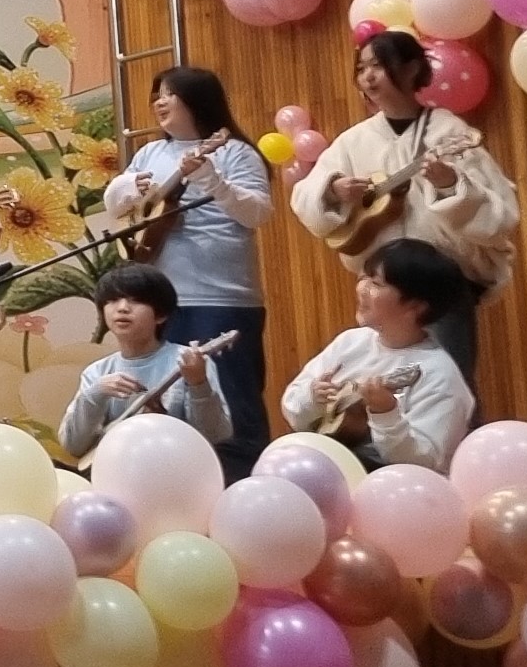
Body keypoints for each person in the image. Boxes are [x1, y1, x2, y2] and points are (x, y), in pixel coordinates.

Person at [291, 31, 519, 388]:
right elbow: (304, 197)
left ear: (412, 68)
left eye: (379, 66)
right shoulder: (353, 141)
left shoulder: (449, 133)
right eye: (362, 68)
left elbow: (500, 212)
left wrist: (449, 184)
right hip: (382, 288)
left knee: (449, 386)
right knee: (386, 388)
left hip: (439, 284)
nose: (368, 77)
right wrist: (333, 189)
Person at [101, 65, 272, 472]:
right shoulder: (149, 153)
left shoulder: (235, 152)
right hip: (160, 301)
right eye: (156, 94)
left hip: (222, 298)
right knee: (165, 401)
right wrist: (129, 189)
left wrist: (214, 181)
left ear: (197, 100)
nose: (159, 102)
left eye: (169, 94)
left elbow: (259, 214)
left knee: (231, 404)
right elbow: (114, 204)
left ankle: (242, 483)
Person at [278, 239, 477, 472]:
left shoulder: (439, 374)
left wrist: (386, 414)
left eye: (376, 283)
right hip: (330, 466)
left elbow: (424, 463)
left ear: (416, 307)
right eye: (364, 278)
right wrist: (312, 398)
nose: (361, 289)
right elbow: (292, 410)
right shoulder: (350, 342)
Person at [58, 263, 231, 462]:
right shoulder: (97, 372)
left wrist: (199, 385)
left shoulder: (191, 361)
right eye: (112, 300)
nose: (122, 308)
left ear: (161, 315)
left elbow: (214, 435)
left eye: (136, 300)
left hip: (177, 469)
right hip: (117, 471)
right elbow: (73, 445)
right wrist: (96, 394)